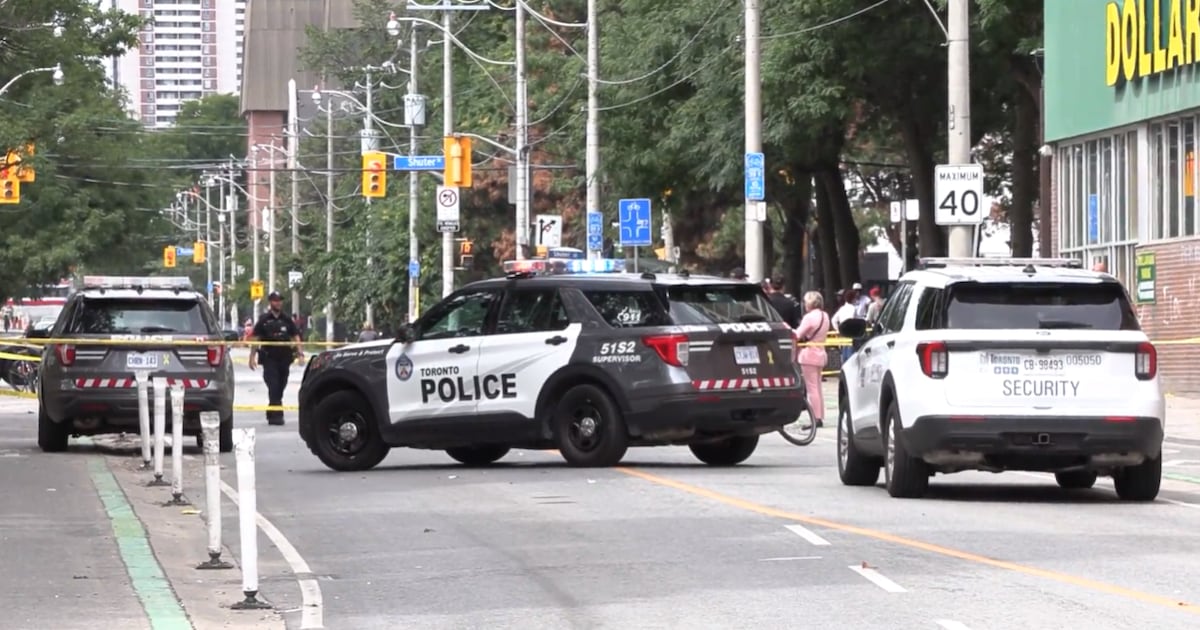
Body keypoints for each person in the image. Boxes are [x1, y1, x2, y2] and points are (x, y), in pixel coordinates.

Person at [248, 291, 304, 426]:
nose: (278, 303)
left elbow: (295, 336)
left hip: (285, 358)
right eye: (275, 300)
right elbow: (256, 338)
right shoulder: (264, 319)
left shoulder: (287, 319)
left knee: (281, 385)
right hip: (269, 358)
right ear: (270, 302)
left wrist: (300, 353)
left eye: (279, 300)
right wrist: (252, 356)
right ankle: (277, 415)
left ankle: (271, 409)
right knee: (273, 385)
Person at [795, 291, 831, 428]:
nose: (804, 304)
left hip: (809, 354)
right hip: (821, 352)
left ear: (810, 303)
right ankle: (820, 416)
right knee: (818, 387)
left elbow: (798, 334)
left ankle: (815, 418)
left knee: (811, 388)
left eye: (805, 302)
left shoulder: (809, 318)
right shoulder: (825, 316)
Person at [831, 286, 860, 363]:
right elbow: (853, 319)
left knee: (844, 353)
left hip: (842, 333)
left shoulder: (842, 308)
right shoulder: (853, 308)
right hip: (851, 334)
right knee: (850, 354)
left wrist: (838, 329)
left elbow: (833, 320)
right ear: (853, 299)